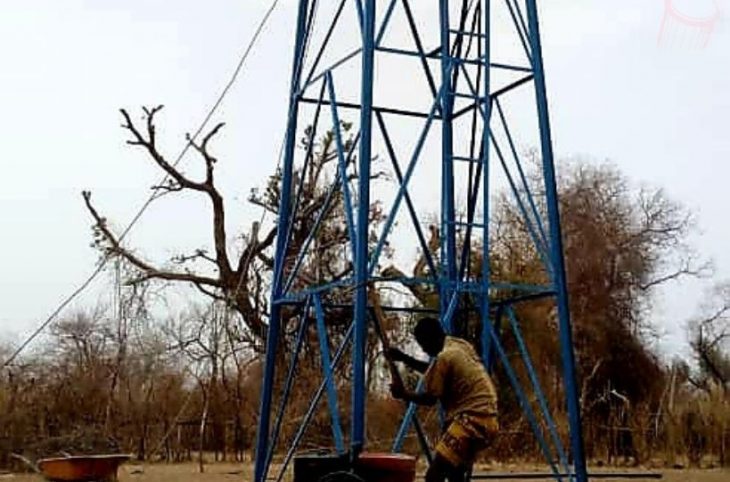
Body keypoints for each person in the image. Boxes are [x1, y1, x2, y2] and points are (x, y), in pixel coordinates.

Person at [387, 317, 498, 482]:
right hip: (488, 421)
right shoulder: (460, 346)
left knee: (434, 476)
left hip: (470, 421)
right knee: (455, 475)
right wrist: (404, 358)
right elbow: (435, 370)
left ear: (431, 339)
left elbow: (431, 399)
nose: (424, 350)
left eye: (423, 344)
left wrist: (403, 394)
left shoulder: (444, 357)